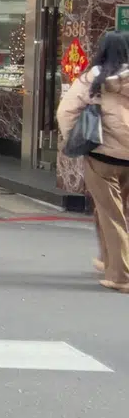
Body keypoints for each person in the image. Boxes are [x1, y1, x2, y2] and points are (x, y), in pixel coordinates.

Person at [57, 30, 129, 293]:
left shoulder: (94, 78)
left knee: (111, 215)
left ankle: (121, 276)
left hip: (101, 156)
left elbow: (66, 112)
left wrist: (73, 140)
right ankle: (109, 260)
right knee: (118, 212)